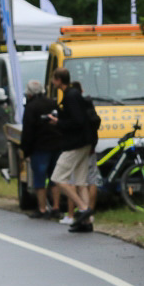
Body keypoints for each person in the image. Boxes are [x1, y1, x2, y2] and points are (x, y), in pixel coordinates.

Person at [48, 68, 100, 232]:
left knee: (58, 178)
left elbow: (77, 121)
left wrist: (58, 122)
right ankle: (87, 223)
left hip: (74, 144)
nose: (52, 82)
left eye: (53, 79)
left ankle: (83, 209)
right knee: (80, 182)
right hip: (85, 143)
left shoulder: (70, 96)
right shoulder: (75, 94)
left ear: (58, 80)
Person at [19, 79, 63, 218]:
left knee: (39, 179)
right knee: (55, 178)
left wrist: (25, 149)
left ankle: (42, 209)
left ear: (29, 93)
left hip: (40, 147)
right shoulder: (53, 103)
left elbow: (28, 131)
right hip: (56, 145)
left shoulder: (30, 107)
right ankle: (56, 207)